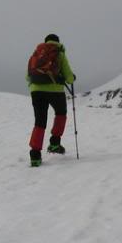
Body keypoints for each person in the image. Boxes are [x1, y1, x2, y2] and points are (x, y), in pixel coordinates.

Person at [27, 33, 76, 167]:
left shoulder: (36, 53)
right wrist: (72, 78)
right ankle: (54, 144)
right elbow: (69, 76)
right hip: (55, 91)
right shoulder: (59, 53)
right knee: (61, 114)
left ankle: (35, 156)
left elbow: (28, 76)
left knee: (40, 122)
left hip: (36, 91)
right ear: (58, 42)